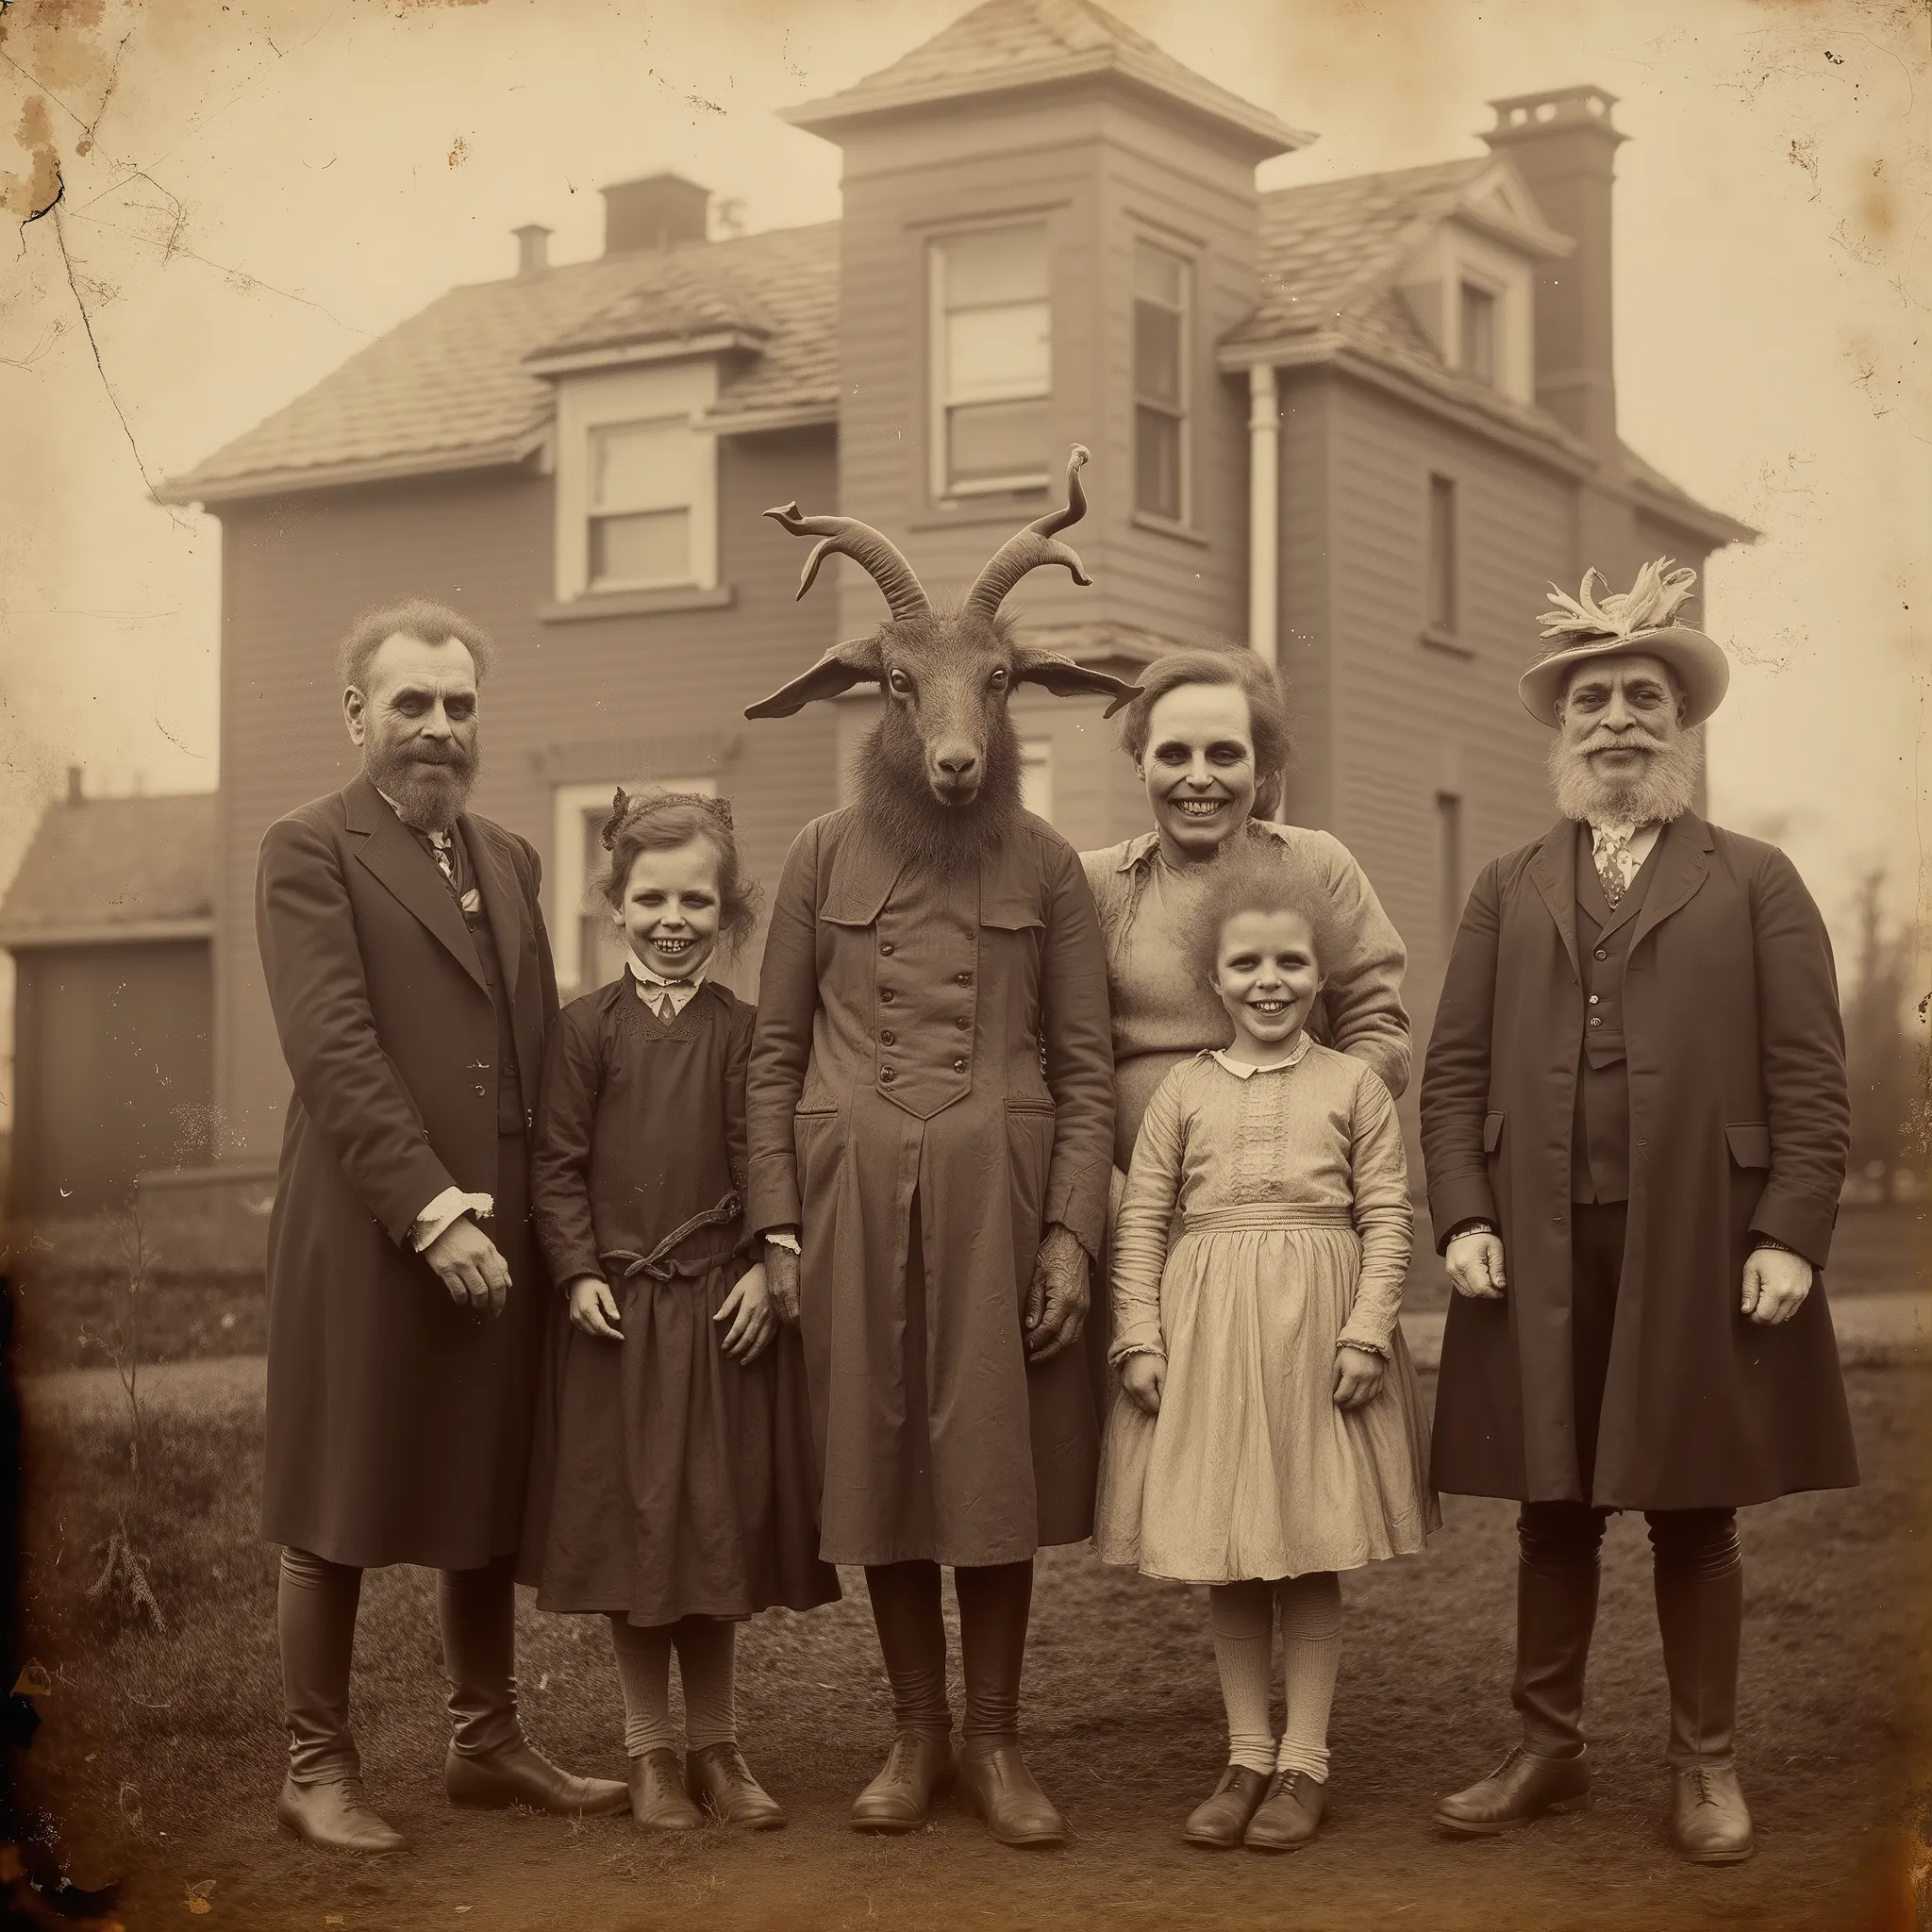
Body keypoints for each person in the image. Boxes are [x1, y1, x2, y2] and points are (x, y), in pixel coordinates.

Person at [1421, 561, 1858, 1865]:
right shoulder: (1509, 882)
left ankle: (1705, 1763)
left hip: (1702, 1241)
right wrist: (1462, 1214)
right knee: (1552, 1505)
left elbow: (1811, 1074)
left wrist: (1789, 1230)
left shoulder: (1756, 879)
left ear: (1684, 724)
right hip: (1541, 1240)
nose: (1617, 720)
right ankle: (1546, 1747)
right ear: (1564, 731)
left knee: (1693, 1505)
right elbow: (1451, 1070)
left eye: (1643, 698)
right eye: (1593, 701)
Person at [256, 599, 626, 1854]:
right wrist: (430, 1213)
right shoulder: (307, 849)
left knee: (481, 1479)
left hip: (505, 1223)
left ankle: (487, 1744)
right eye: (411, 703)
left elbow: (533, 1053)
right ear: (358, 714)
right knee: (338, 1491)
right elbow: (335, 1054)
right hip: (370, 1228)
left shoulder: (511, 856)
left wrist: (553, 1217)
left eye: (459, 705)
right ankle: (316, 1767)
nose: (438, 728)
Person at [1094, 844, 1437, 1854]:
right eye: (1245, 966)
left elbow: (1386, 1212)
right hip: (1207, 1337)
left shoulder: (1351, 1085)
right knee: (1233, 1557)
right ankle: (1246, 1753)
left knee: (1307, 1547)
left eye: (1289, 963)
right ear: (1212, 980)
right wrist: (1139, 1336)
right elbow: (1144, 1218)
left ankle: (1304, 1762)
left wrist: (1369, 1326)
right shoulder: (1181, 1093)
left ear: (1321, 973)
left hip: (1318, 1335)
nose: (1268, 982)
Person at [520, 790, 840, 1836]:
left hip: (716, 1317)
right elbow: (556, 1167)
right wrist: (574, 1272)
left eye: (695, 899)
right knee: (632, 1536)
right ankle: (648, 1751)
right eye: (649, 896)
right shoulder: (582, 1031)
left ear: (726, 911)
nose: (671, 917)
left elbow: (765, 1159)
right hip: (617, 1321)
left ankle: (718, 1747)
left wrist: (762, 1263)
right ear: (612, 903)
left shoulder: (748, 1035)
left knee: (711, 1536)